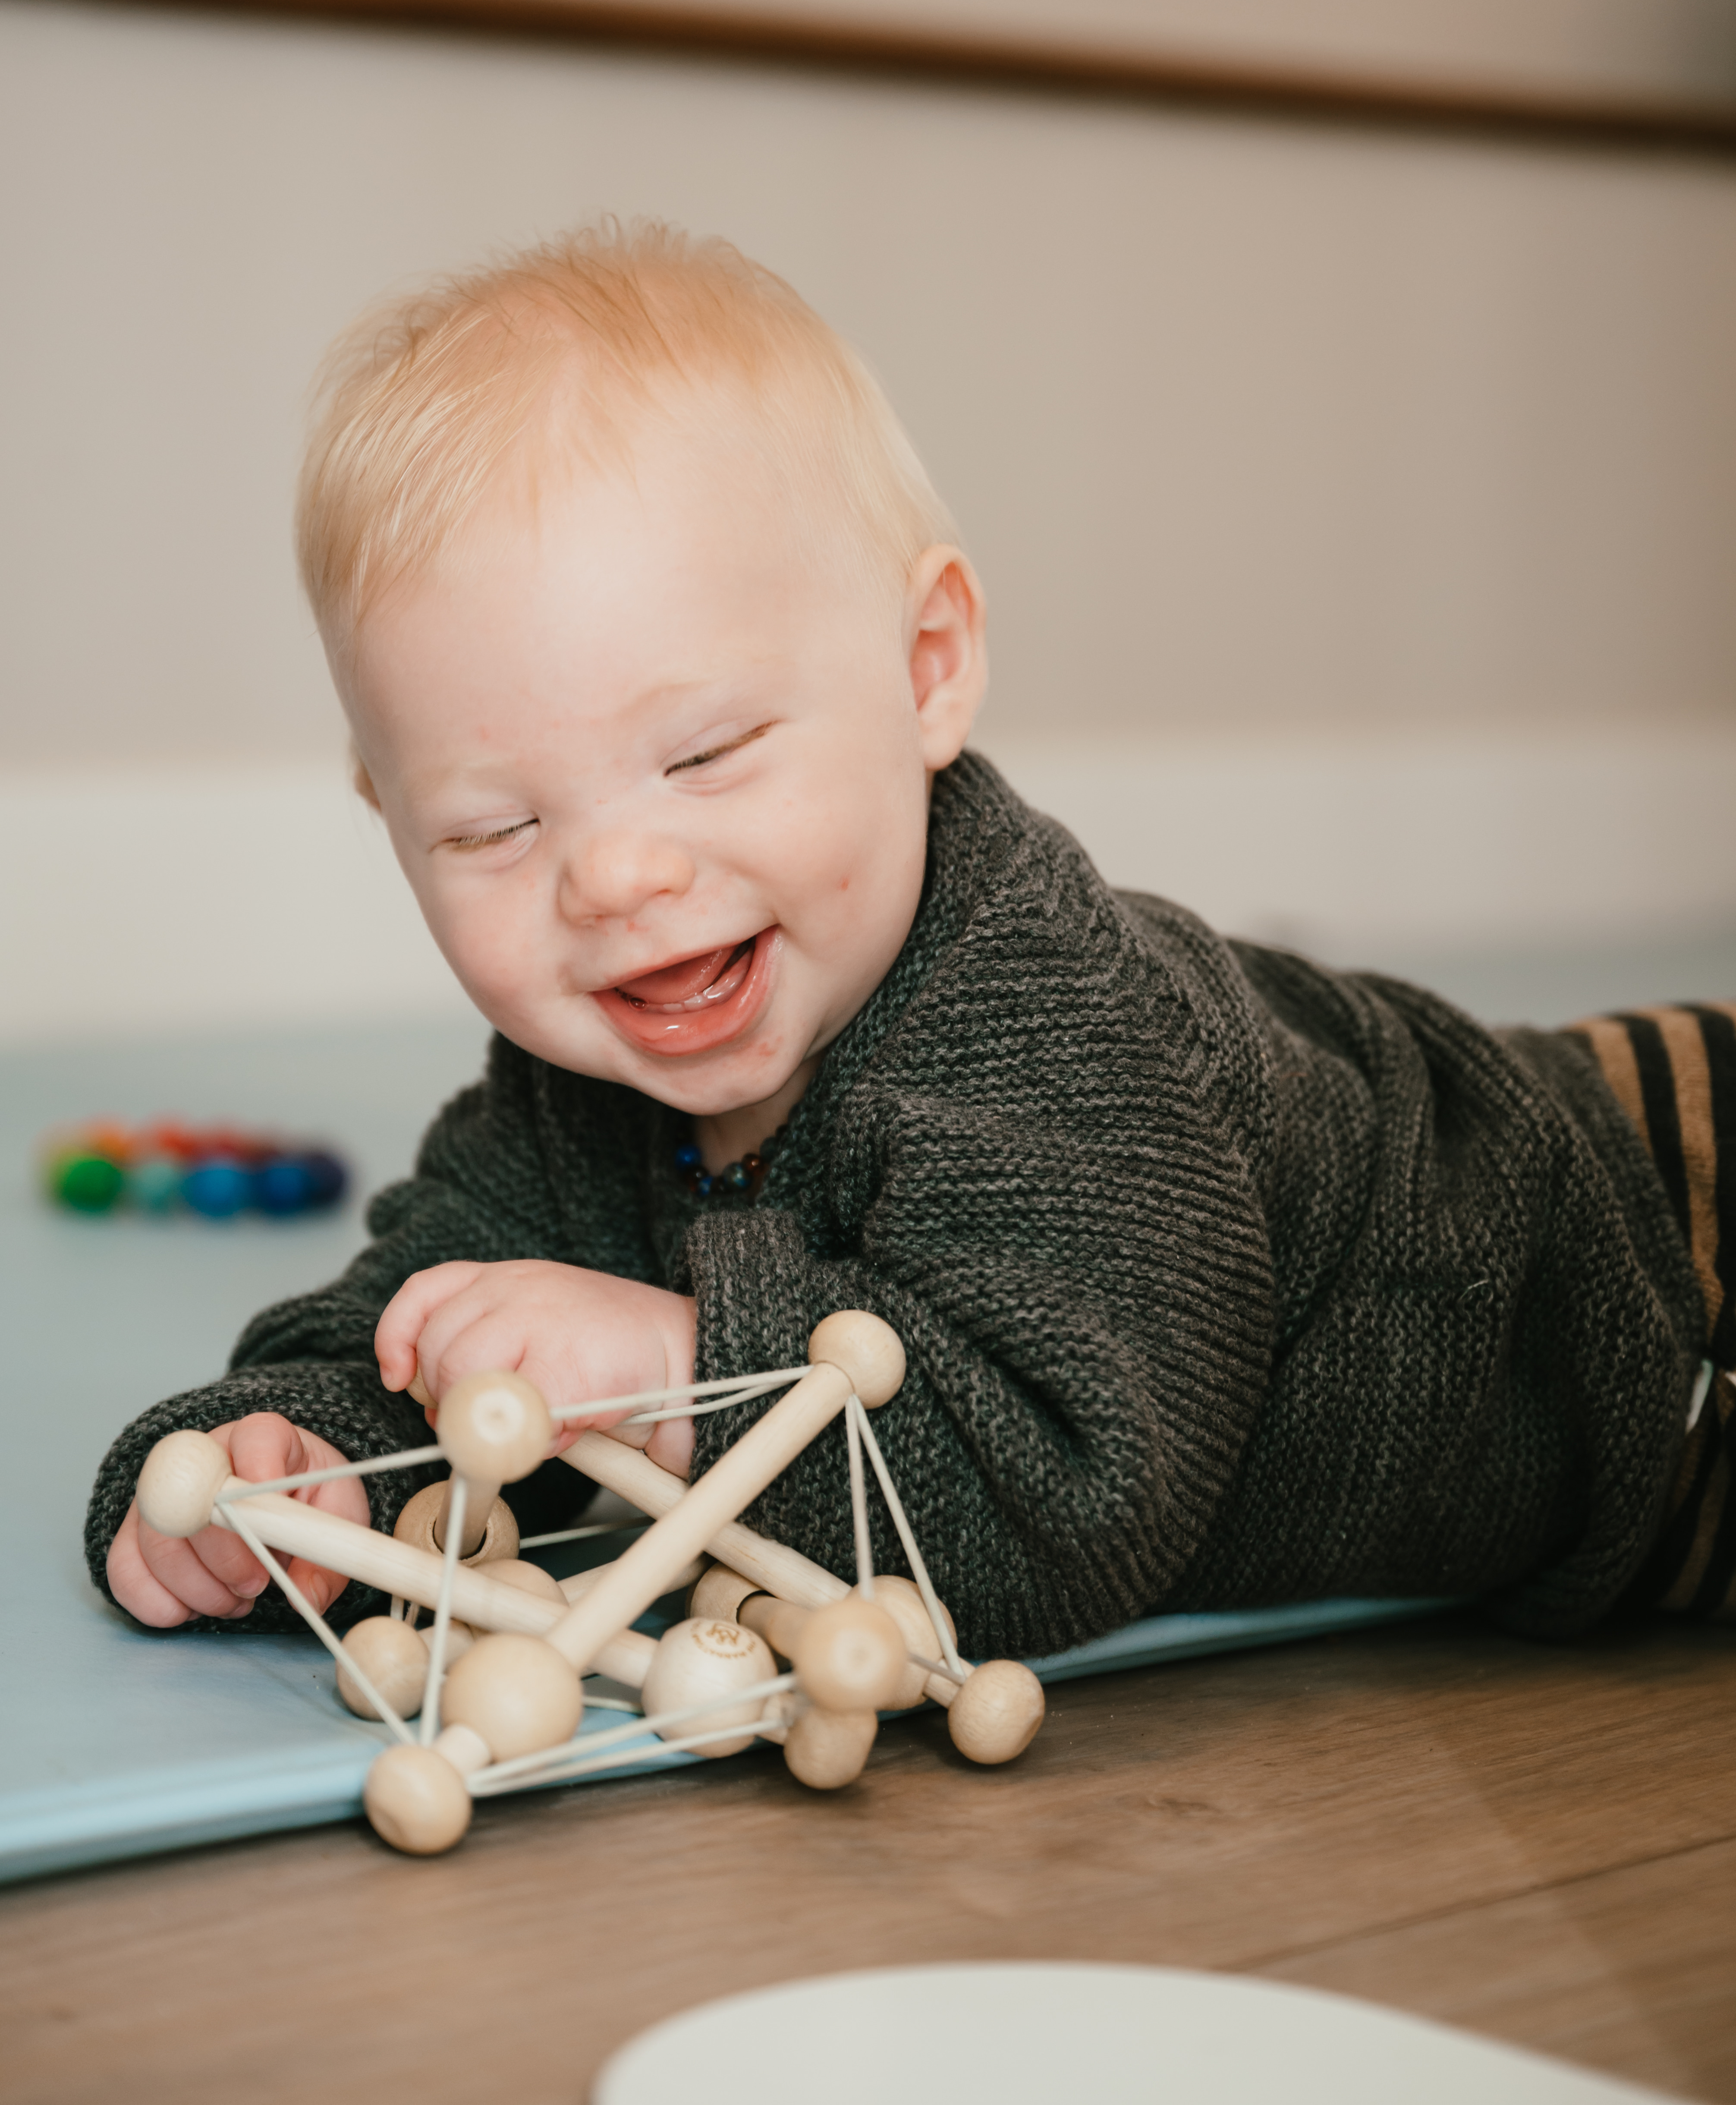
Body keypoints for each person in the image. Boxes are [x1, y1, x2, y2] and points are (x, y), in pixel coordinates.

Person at [87, 225, 1732, 1659]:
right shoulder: (556, 1114)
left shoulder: (1053, 1019)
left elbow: (1075, 1495)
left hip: (1649, 1286)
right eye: (497, 830)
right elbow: (402, 1341)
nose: (616, 879)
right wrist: (256, 1472)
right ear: (393, 830)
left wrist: (678, 1374)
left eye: (707, 751)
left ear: (929, 665)